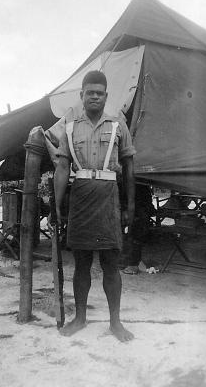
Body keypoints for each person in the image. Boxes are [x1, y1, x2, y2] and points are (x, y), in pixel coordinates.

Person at [54, 70, 136, 342]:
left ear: (106, 96)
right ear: (82, 95)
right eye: (90, 92)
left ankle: (115, 322)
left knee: (111, 262)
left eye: (99, 93)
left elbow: (129, 166)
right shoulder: (69, 126)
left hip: (109, 197)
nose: (94, 97)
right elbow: (63, 167)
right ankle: (80, 318)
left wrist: (131, 205)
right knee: (82, 262)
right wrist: (56, 205)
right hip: (81, 197)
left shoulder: (117, 125)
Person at [121, 184, 155, 274]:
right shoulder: (141, 185)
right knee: (134, 238)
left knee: (134, 237)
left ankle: (133, 265)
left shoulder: (132, 184)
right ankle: (133, 263)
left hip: (137, 213)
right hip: (139, 212)